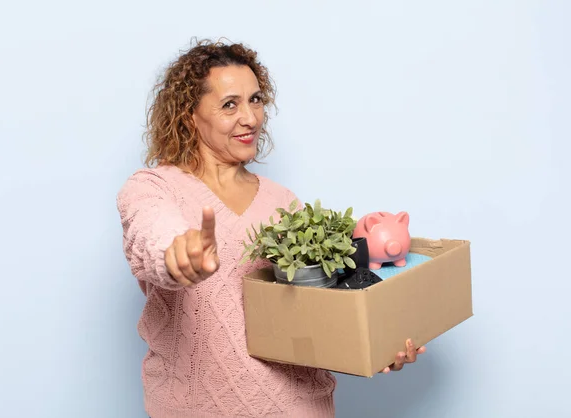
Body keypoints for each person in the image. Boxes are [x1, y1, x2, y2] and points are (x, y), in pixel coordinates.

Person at [116, 39, 426, 418]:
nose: (251, 118)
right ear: (189, 115)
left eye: (256, 99)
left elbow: (316, 317)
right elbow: (152, 232)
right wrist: (177, 256)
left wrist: (374, 346)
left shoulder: (285, 204)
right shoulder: (153, 188)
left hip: (299, 408)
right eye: (230, 104)